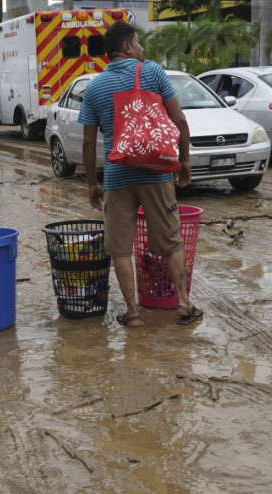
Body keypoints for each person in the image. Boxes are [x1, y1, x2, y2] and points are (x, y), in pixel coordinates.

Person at [77, 22, 203, 327]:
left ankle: (133, 313)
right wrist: (184, 162)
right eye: (138, 44)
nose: (142, 49)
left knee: (120, 247)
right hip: (156, 173)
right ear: (127, 48)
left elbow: (88, 141)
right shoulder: (152, 72)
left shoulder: (92, 88)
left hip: (117, 176)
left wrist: (93, 183)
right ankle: (183, 304)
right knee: (172, 241)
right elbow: (180, 121)